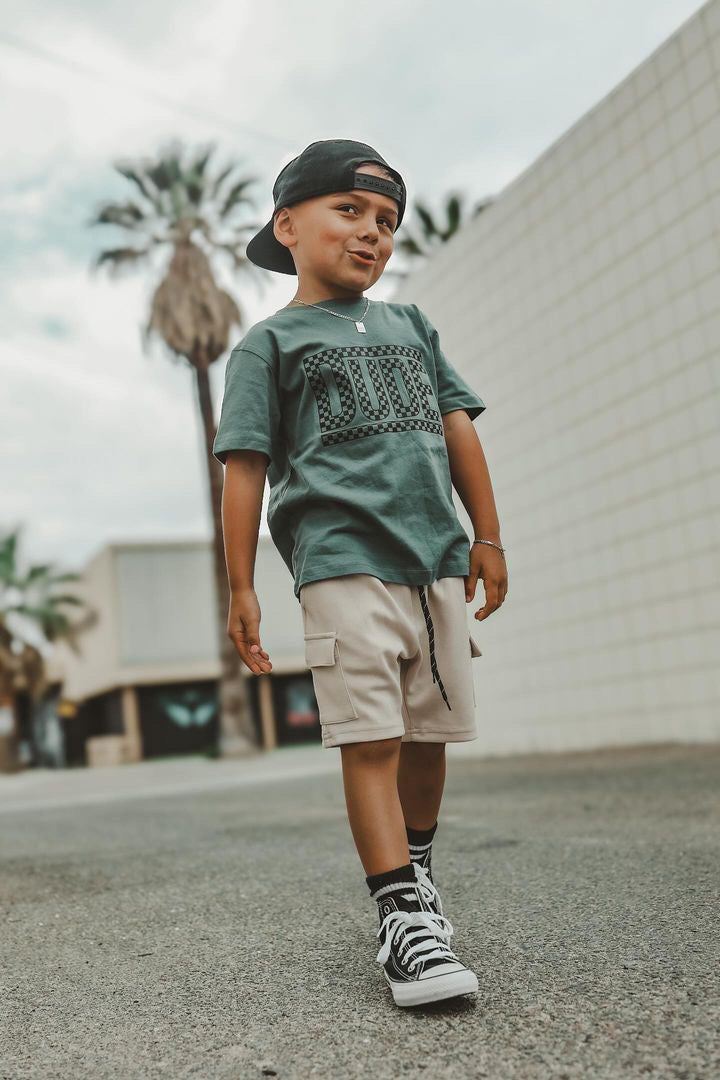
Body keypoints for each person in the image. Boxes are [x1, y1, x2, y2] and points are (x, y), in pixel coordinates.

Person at [212, 139, 507, 1008]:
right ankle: (400, 919)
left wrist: (487, 538)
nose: (372, 233)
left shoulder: (413, 326)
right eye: (349, 211)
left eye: (385, 221)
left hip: (435, 562)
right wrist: (242, 587)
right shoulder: (269, 345)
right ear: (288, 226)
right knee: (372, 738)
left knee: (428, 736)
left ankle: (416, 874)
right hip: (339, 559)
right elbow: (243, 468)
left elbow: (457, 427)